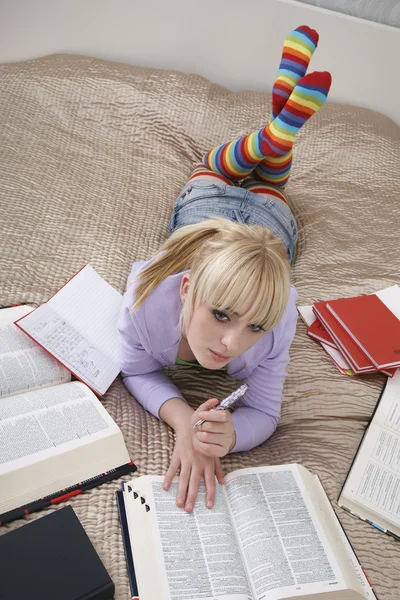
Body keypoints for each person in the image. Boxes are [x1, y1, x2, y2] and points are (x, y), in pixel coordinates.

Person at [118, 26, 331, 513]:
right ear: (187, 288)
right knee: (227, 174)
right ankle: (273, 133)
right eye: (220, 315)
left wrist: (230, 435)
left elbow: (264, 412)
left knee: (239, 175)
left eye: (251, 325)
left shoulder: (276, 322)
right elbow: (136, 367)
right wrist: (183, 420)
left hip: (264, 231)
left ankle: (277, 130)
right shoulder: (146, 303)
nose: (233, 342)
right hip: (239, 212)